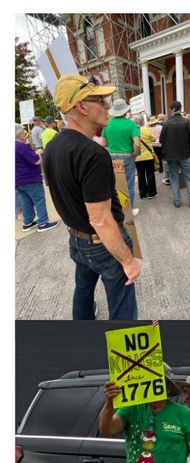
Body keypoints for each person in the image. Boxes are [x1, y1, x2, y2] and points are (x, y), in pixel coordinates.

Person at [42, 74, 141, 320]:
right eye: (101, 99)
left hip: (77, 238)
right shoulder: (92, 153)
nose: (108, 105)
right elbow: (100, 219)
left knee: (83, 291)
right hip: (100, 242)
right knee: (122, 306)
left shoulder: (52, 147)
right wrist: (128, 260)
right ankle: (129, 359)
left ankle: (81, 337)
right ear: (82, 107)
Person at [100, 98, 141, 214]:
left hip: (112, 157)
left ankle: (120, 210)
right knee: (129, 184)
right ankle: (129, 210)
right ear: (125, 111)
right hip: (127, 156)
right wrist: (135, 153)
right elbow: (137, 143)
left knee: (118, 185)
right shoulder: (131, 124)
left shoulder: (107, 124)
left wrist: (112, 145)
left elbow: (103, 143)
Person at [15, 124, 59, 233]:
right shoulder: (20, 146)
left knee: (26, 201)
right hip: (30, 178)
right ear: (19, 134)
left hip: (18, 180)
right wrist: (38, 153)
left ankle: (27, 222)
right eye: (23, 133)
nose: (25, 135)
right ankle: (43, 223)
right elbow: (36, 161)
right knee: (39, 200)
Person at [159, 100, 190, 209]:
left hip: (171, 156)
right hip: (184, 155)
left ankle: (177, 201)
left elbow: (161, 140)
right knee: (188, 177)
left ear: (171, 109)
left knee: (174, 178)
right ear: (180, 109)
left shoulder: (166, 123)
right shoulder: (186, 123)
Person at [134, 113, 158, 200]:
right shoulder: (146, 129)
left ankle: (142, 193)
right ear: (141, 121)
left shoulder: (132, 130)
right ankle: (151, 193)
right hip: (148, 156)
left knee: (140, 176)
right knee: (150, 175)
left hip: (137, 157)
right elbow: (153, 139)